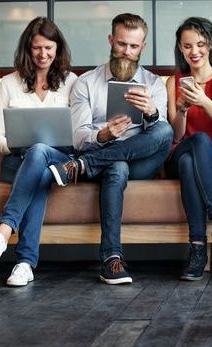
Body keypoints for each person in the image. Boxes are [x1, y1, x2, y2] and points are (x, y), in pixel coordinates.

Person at [48, 13, 173, 285]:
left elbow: (161, 137)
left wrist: (151, 113)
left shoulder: (154, 84)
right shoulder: (86, 83)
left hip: (140, 162)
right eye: (121, 44)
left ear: (143, 47)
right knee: (117, 166)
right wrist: (104, 134)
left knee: (164, 129)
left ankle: (79, 167)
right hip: (109, 161)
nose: (127, 52)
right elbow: (79, 138)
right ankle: (111, 259)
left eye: (134, 46)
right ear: (110, 40)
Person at [0, 17, 77, 287]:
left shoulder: (72, 82)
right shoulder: (9, 83)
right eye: (36, 48)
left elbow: (80, 136)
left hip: (60, 161)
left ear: (58, 48)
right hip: (18, 162)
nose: (43, 55)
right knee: (38, 165)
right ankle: (24, 264)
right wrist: (17, 144)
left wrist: (39, 148)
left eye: (48, 48)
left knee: (41, 152)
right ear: (27, 49)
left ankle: (4, 230)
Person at [165, 17, 212, 282]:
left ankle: (197, 250)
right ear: (180, 48)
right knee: (195, 143)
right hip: (179, 152)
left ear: (210, 44)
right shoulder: (174, 82)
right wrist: (184, 109)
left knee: (195, 154)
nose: (194, 52)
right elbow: (176, 135)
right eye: (187, 46)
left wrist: (204, 101)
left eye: (199, 44)